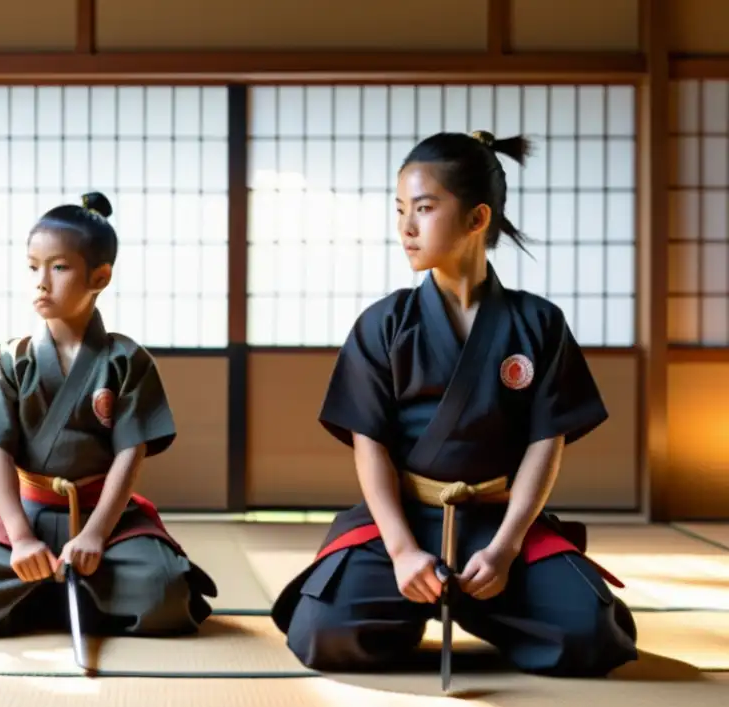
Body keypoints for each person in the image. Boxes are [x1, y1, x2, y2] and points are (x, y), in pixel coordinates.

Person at [270, 131, 639, 678]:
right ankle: (424, 600)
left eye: (423, 209)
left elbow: (546, 443)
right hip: (406, 520)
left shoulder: (537, 324)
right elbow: (368, 444)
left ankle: (480, 598)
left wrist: (508, 548)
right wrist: (400, 551)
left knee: (593, 635)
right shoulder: (385, 324)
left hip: (497, 521)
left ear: (476, 218)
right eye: (400, 210)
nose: (406, 228)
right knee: (321, 631)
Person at [0, 191, 217, 639]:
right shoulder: (11, 360)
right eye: (33, 267)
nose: (41, 282)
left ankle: (48, 594)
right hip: (27, 513)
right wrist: (18, 536)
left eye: (58, 267)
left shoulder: (127, 361)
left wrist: (94, 534)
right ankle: (70, 593)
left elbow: (131, 452)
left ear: (100, 276)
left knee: (164, 591)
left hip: (106, 519)